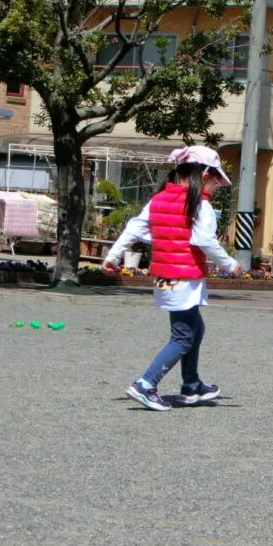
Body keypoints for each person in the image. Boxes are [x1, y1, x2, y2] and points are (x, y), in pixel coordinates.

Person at [104, 146, 242, 412]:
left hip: (164, 276)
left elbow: (135, 227)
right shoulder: (200, 205)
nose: (217, 185)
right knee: (182, 337)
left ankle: (191, 385)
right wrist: (230, 264)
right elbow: (204, 240)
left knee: (195, 330)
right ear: (204, 174)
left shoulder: (159, 199)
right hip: (184, 277)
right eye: (216, 179)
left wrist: (113, 256)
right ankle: (146, 384)